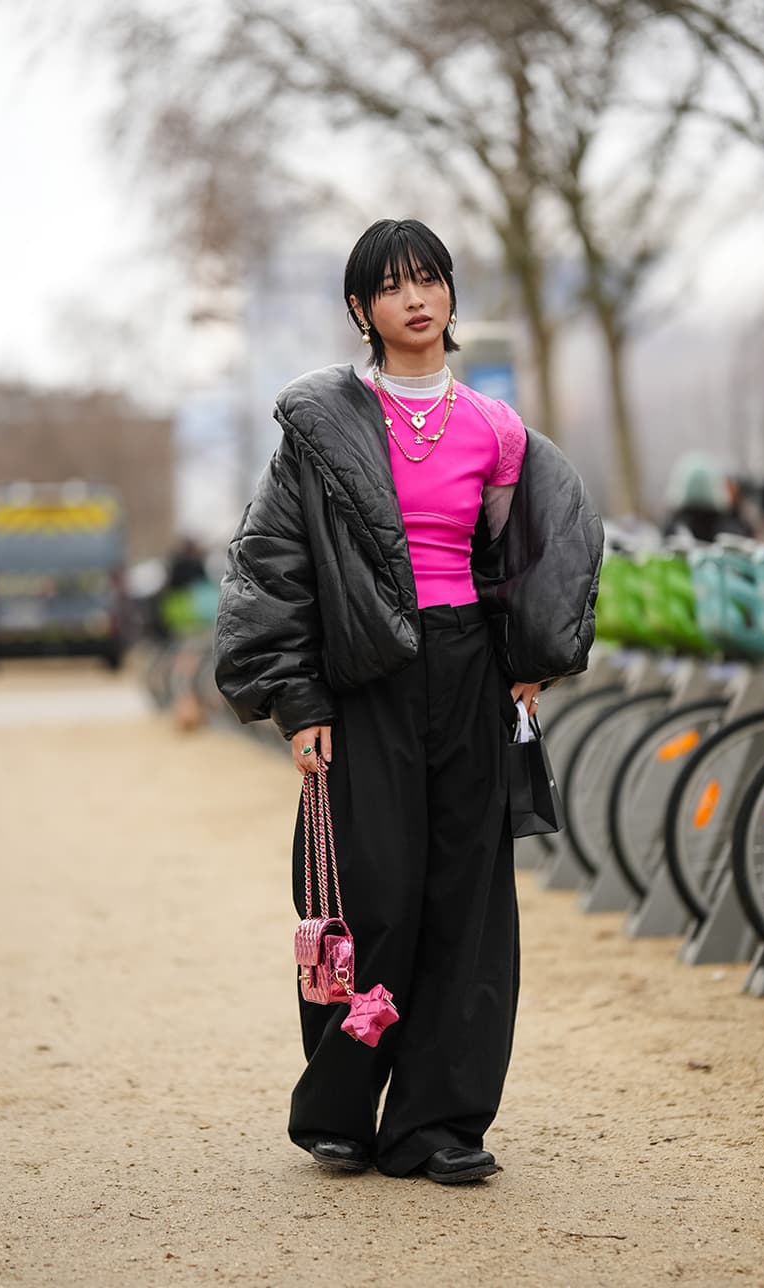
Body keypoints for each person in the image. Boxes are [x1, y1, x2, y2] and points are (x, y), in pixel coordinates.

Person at [214, 219, 603, 1185]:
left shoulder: (497, 429)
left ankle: (439, 1124)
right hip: (365, 682)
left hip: (469, 675)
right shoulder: (322, 428)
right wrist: (299, 699)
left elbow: (523, 556)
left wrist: (529, 659)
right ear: (363, 310)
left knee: (466, 902)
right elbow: (275, 563)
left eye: (430, 280)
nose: (416, 299)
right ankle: (343, 1106)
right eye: (393, 287)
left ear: (451, 297)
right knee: (370, 898)